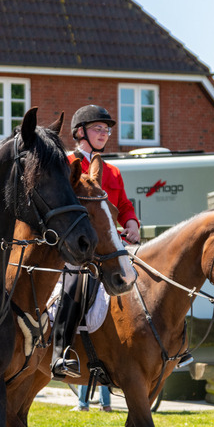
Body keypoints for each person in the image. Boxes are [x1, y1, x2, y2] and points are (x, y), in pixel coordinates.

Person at [51, 105, 141, 378]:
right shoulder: (64, 165)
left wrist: (132, 224)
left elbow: (124, 205)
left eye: (107, 130)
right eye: (97, 129)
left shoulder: (112, 171)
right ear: (80, 132)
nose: (104, 134)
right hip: (77, 247)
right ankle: (61, 352)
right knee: (77, 280)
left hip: (111, 245)